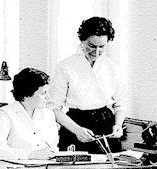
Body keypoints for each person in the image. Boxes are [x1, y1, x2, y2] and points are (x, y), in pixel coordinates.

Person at [48, 16, 126, 154]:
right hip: (75, 124)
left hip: (106, 125)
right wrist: (77, 130)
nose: (97, 51)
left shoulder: (112, 67)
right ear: (82, 40)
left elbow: (120, 104)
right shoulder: (65, 67)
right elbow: (54, 108)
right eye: (92, 46)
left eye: (102, 47)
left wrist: (118, 125)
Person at [0, 67, 58, 161]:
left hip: (46, 165)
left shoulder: (48, 114)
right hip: (14, 167)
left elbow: (52, 146)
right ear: (27, 94)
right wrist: (30, 154)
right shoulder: (5, 113)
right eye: (43, 93)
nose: (48, 98)